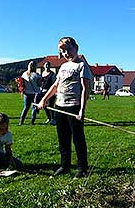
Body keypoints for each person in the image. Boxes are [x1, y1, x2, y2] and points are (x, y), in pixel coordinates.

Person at [36, 37, 93, 178]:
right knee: (63, 139)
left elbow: (86, 89)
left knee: (78, 138)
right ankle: (65, 165)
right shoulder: (63, 67)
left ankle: (82, 167)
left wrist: (82, 110)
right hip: (59, 106)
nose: (66, 53)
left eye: (68, 49)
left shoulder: (82, 65)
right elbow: (55, 86)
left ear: (76, 47)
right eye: (63, 51)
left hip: (74, 107)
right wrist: (44, 100)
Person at [19, 61, 41, 125]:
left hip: (26, 93)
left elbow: (22, 83)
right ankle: (32, 122)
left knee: (26, 108)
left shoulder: (24, 74)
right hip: (35, 93)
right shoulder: (36, 75)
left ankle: (21, 122)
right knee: (34, 108)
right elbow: (39, 84)